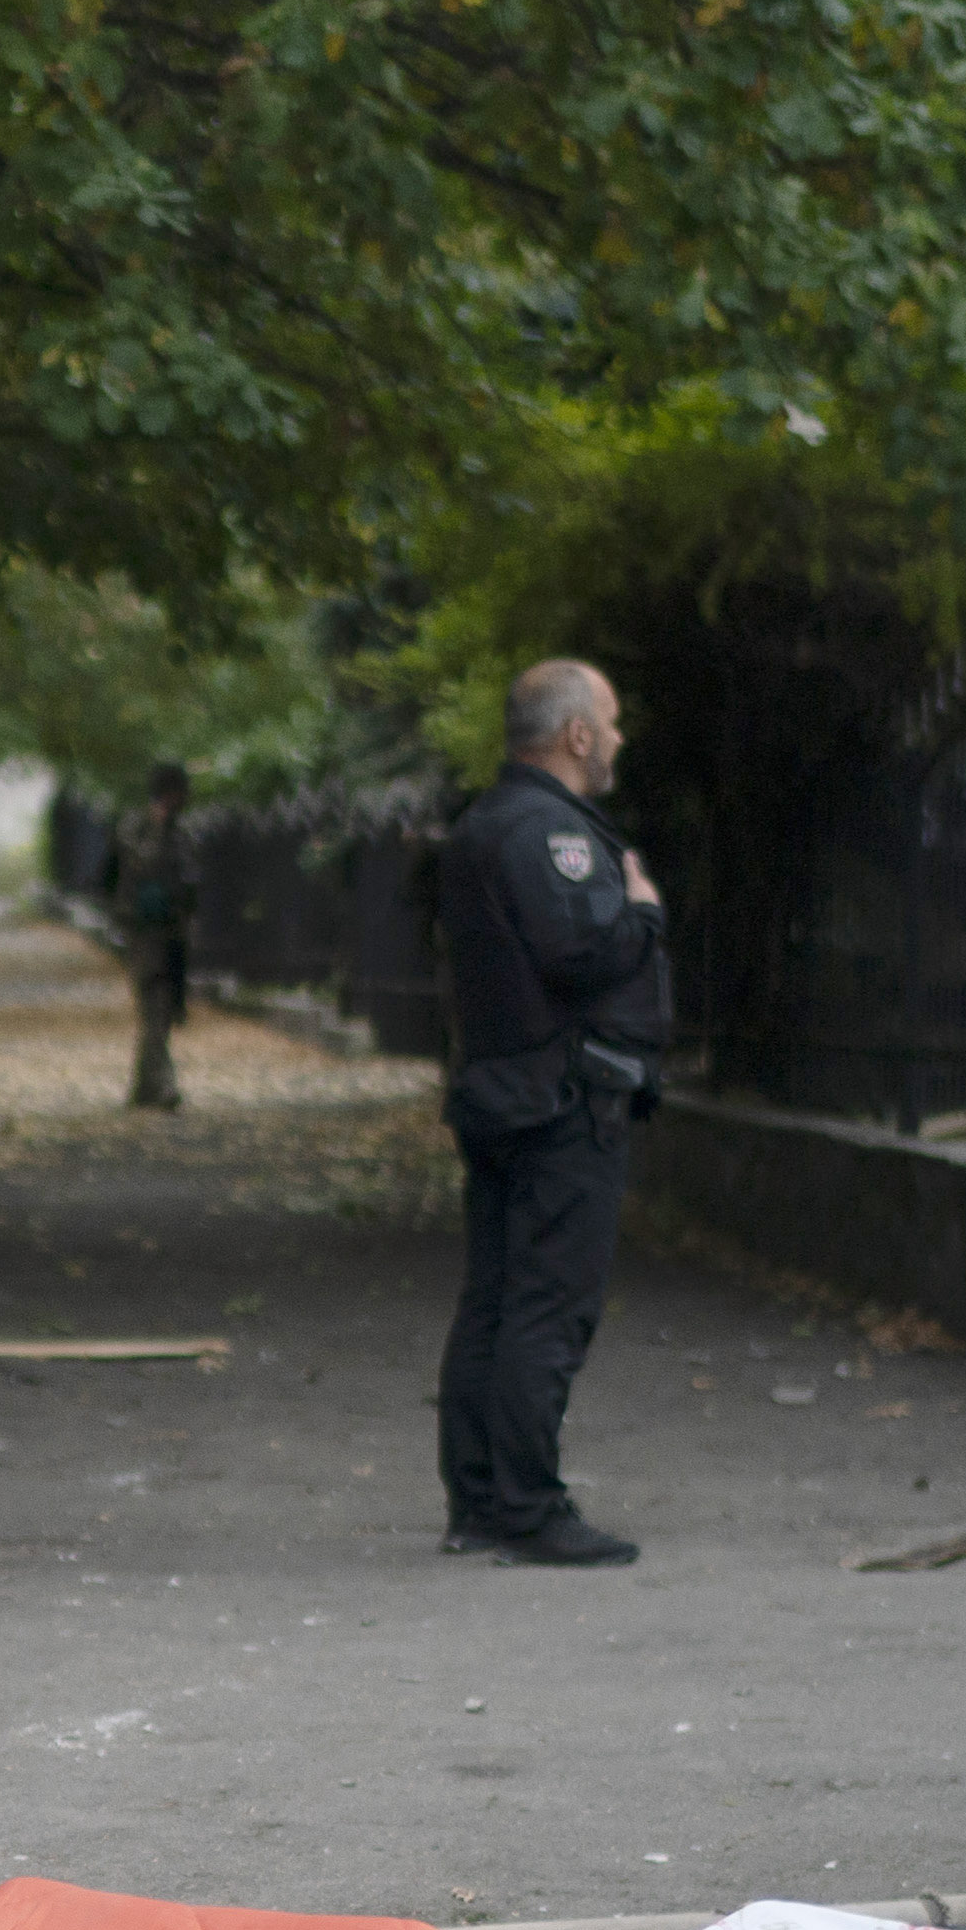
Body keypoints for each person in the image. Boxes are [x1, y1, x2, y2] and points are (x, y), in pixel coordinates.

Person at [432, 657, 667, 1566]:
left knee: (493, 1300)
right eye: (608, 723)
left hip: (503, 1088)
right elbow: (580, 950)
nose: (615, 739)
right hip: (562, 1100)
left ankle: (480, 1500)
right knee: (545, 1306)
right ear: (575, 735)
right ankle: (528, 1507)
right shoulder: (548, 831)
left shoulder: (485, 823)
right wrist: (642, 913)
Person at [108, 762, 196, 1111]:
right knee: (155, 1002)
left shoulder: (181, 830)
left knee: (163, 1007)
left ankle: (144, 1087)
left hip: (173, 931)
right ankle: (163, 1085)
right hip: (144, 928)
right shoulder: (138, 827)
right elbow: (138, 866)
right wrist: (158, 831)